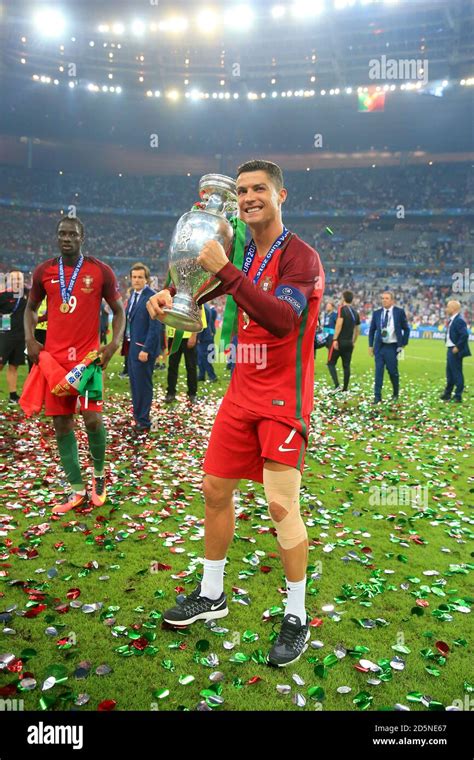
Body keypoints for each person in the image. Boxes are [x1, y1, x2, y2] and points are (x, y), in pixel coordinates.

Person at [148, 159, 325, 667]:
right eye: (242, 190)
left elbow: (282, 321)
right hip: (242, 393)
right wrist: (171, 296)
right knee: (214, 489)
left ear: (280, 195)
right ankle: (212, 594)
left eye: (259, 189)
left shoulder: (301, 258)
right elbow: (201, 296)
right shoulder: (242, 252)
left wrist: (224, 269)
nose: (248, 197)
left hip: (284, 400)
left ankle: (296, 615)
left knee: (280, 505)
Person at [24, 216, 125, 514]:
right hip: (54, 363)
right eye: (61, 233)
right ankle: (76, 489)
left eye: (72, 234)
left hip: (88, 362)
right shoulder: (44, 271)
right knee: (62, 425)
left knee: (93, 419)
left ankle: (98, 476)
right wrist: (30, 339)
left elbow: (119, 311)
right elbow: (30, 309)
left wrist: (114, 343)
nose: (66, 238)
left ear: (82, 237)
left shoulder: (100, 270)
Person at [126, 262, 163, 432]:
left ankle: (144, 419)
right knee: (135, 384)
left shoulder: (152, 297)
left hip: (143, 350)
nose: (136, 280)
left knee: (143, 385)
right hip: (132, 348)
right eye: (134, 277)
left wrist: (146, 349)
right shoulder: (132, 296)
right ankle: (138, 416)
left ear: (147, 279)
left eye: (140, 277)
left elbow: (155, 328)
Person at [368, 291, 410, 403]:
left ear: (392, 301)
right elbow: (372, 330)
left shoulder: (399, 312)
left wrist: (403, 343)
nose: (384, 300)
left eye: (386, 298)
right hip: (379, 347)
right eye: (382, 298)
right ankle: (377, 397)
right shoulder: (377, 313)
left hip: (392, 347)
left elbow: (406, 328)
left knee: (392, 371)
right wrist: (370, 345)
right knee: (378, 372)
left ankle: (395, 393)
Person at [0, 270, 28, 403]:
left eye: (19, 278)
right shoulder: (3, 295)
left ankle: (13, 396)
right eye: (14, 278)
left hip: (20, 336)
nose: (17, 281)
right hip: (4, 335)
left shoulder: (28, 294)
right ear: (9, 280)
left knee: (14, 366)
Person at [327, 290, 360, 393]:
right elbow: (357, 330)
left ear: (343, 298)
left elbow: (339, 324)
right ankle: (345, 388)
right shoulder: (355, 313)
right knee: (346, 365)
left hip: (339, 341)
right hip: (349, 343)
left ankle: (337, 385)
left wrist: (335, 339)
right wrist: (353, 342)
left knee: (330, 363)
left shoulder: (342, 309)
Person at [440, 300, 471, 403]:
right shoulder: (453, 320)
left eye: (448, 307)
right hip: (450, 348)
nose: (446, 309)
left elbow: (465, 335)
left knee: (456, 372)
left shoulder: (458, 320)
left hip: (455, 350)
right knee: (450, 372)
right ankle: (447, 393)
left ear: (453, 309)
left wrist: (457, 347)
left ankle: (458, 395)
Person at [164, 325, 198, 404]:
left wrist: (193, 335)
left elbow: (198, 317)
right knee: (172, 366)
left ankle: (192, 394)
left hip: (188, 336)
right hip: (174, 336)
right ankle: (170, 393)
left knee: (191, 366)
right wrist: (167, 333)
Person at [197, 303, 218, 382]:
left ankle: (212, 376)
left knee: (204, 357)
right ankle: (201, 375)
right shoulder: (205, 306)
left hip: (204, 336)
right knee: (201, 357)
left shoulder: (203, 307)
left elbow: (201, 323)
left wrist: (198, 337)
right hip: (206, 335)